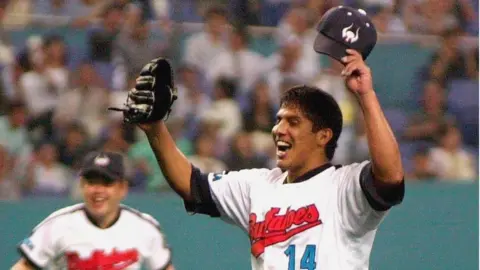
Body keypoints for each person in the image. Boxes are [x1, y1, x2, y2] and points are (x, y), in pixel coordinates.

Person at [130, 6, 405, 270]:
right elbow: (191, 185)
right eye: (279, 120)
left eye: (293, 122)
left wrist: (365, 96)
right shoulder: (257, 186)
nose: (279, 129)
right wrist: (156, 128)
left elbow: (390, 176)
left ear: (323, 136)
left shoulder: (344, 188)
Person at [11, 151, 174, 270]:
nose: (98, 190)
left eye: (107, 183)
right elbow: (24, 266)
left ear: (122, 188)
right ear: (82, 185)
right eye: (92, 183)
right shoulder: (57, 224)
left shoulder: (144, 227)